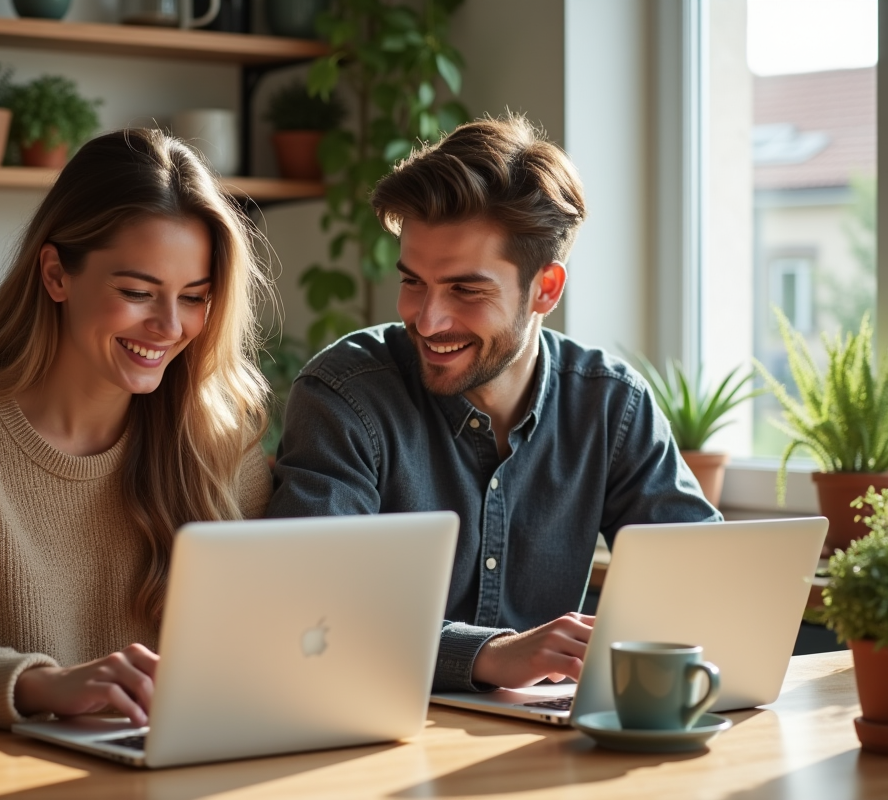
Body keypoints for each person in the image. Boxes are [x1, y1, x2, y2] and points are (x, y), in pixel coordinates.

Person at [0, 129, 272, 730]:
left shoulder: (219, 445)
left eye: (194, 297)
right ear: (57, 274)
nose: (169, 326)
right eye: (137, 291)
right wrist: (45, 685)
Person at [267, 115, 720, 694]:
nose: (427, 320)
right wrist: (488, 654)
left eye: (465, 289)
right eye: (413, 282)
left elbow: (703, 579)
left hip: (545, 751)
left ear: (546, 290)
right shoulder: (346, 395)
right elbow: (306, 611)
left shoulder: (610, 405)